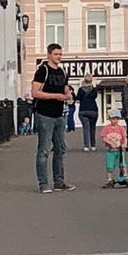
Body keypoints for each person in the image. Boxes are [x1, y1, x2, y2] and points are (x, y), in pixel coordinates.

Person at [31, 43, 76, 194]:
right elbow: (35, 92)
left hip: (59, 114)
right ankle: (43, 183)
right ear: (49, 54)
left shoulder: (62, 72)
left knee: (60, 148)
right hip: (44, 114)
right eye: (56, 54)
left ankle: (59, 181)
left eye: (60, 54)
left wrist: (68, 94)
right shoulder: (42, 71)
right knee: (44, 150)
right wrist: (55, 96)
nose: (59, 57)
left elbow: (64, 88)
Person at [101, 109, 128, 188]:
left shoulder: (121, 128)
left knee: (122, 164)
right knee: (110, 166)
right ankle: (109, 180)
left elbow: (124, 137)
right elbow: (104, 138)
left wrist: (124, 144)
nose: (115, 121)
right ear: (109, 119)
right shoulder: (106, 128)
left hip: (119, 150)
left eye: (117, 119)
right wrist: (110, 143)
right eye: (113, 119)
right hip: (110, 151)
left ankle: (125, 177)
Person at [75, 74, 99, 151]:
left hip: (83, 110)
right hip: (93, 110)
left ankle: (86, 145)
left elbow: (78, 98)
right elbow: (95, 97)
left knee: (86, 128)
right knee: (93, 128)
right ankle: (93, 145)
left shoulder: (81, 89)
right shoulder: (94, 90)